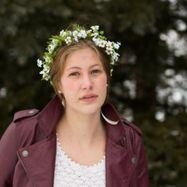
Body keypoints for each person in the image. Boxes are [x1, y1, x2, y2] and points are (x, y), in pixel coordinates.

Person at [0, 24, 149, 187]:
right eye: (74, 74)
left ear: (107, 78)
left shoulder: (130, 140)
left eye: (95, 72)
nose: (87, 84)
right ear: (58, 85)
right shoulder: (24, 133)